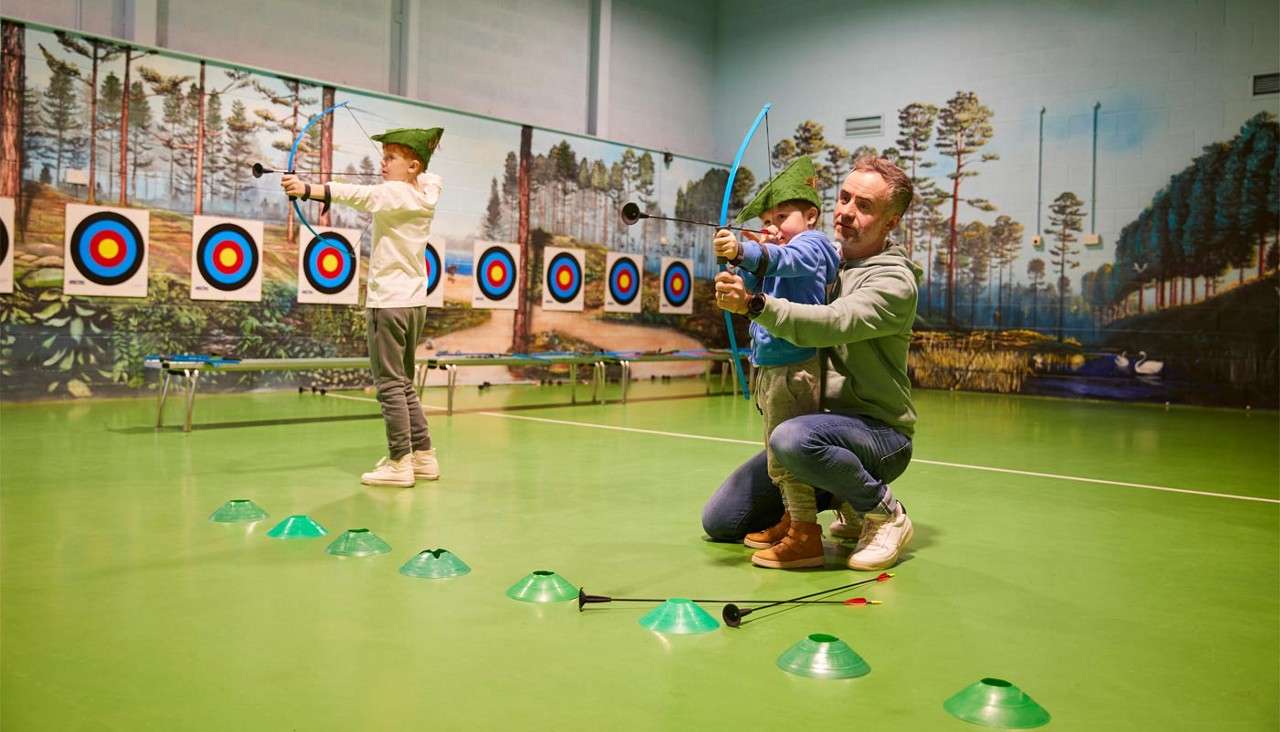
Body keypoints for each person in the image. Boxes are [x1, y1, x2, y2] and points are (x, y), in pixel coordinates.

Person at [707, 155, 922, 571]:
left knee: (791, 440)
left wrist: (754, 303)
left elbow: (831, 323)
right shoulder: (823, 257)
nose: (845, 212)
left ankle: (884, 512)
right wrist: (746, 270)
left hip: (876, 436)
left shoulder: (894, 281)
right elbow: (788, 266)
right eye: (844, 198)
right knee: (721, 520)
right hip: (815, 426)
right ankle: (838, 503)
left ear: (891, 221)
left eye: (864, 205)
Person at [282, 127, 445, 487]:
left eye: (391, 158)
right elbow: (431, 178)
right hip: (415, 303)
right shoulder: (426, 190)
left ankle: (399, 462)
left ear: (413, 165)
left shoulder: (395, 194)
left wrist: (306, 189)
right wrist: (421, 167)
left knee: (389, 385)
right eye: (383, 156)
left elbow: (355, 194)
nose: (382, 163)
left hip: (388, 303)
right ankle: (424, 457)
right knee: (403, 384)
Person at [711, 157, 839, 569]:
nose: (774, 226)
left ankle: (805, 534)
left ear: (811, 216)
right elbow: (757, 284)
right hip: (771, 368)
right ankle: (792, 519)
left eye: (783, 216)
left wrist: (747, 248)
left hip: (794, 369)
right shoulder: (777, 252)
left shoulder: (813, 245)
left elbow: (784, 261)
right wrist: (736, 278)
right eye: (768, 219)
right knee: (776, 456)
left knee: (787, 460)